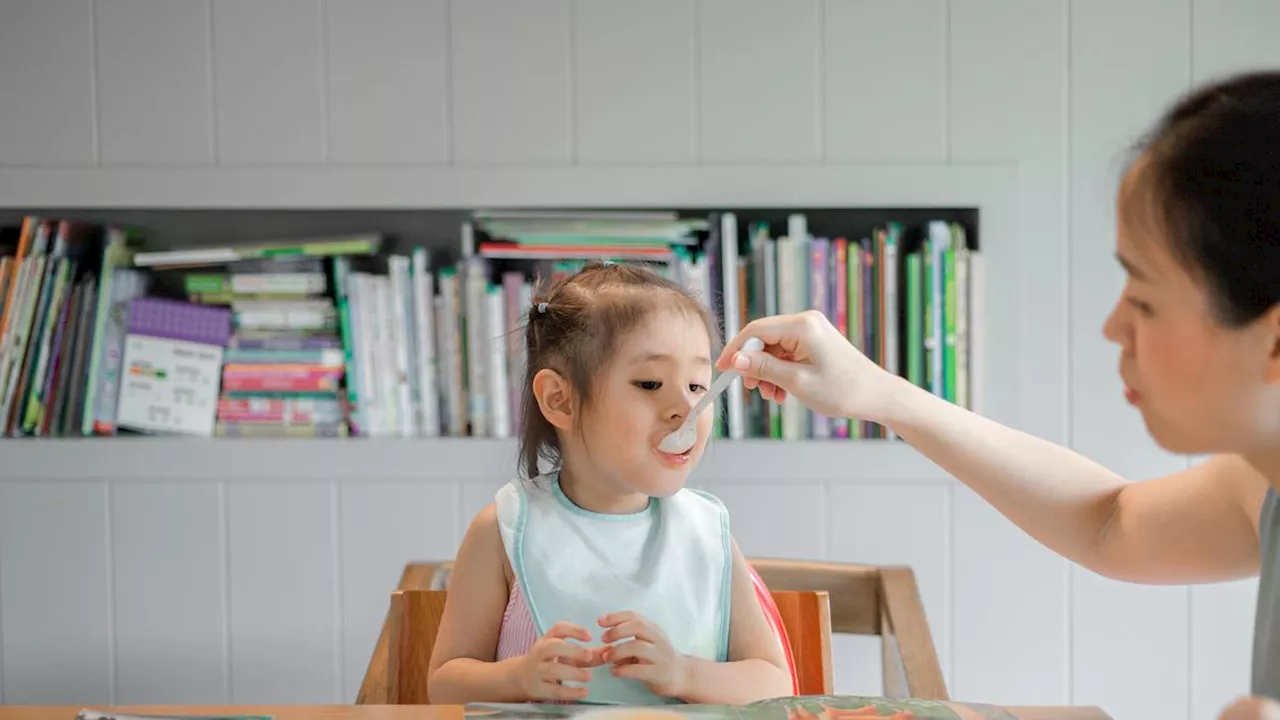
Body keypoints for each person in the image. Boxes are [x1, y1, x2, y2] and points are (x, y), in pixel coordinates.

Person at [717, 69, 1280, 720]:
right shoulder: (1260, 484)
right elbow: (1109, 522)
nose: (1113, 327)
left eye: (1146, 300)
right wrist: (879, 393)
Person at [428, 262, 791, 706]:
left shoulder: (707, 532)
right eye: (650, 383)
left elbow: (774, 684)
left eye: (698, 385)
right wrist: (518, 678)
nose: (686, 408)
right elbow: (444, 683)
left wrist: (683, 673)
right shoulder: (502, 532)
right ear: (559, 400)